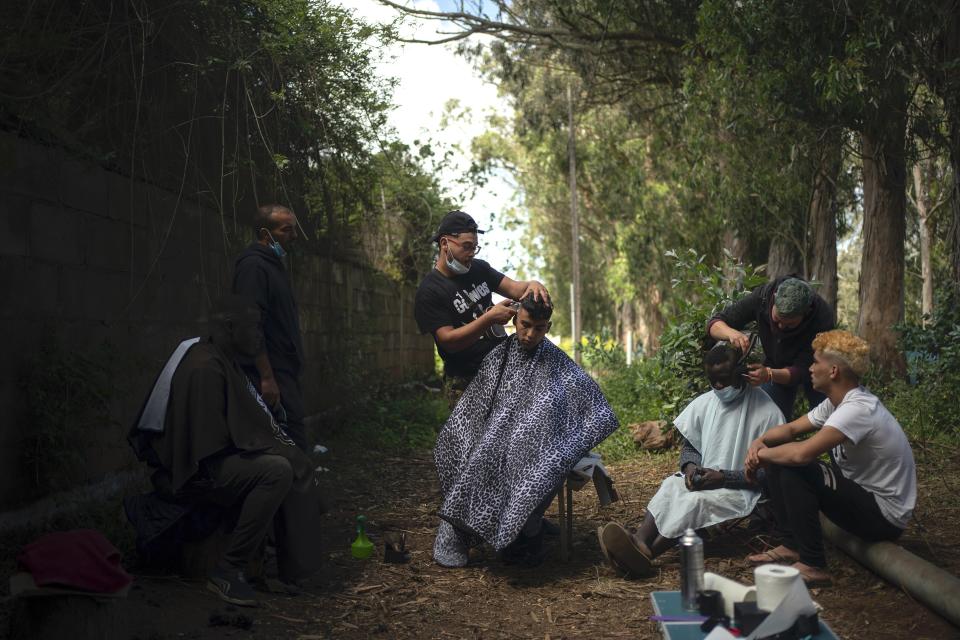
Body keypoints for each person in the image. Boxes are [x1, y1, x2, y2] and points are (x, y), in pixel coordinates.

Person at [127, 296, 323, 607]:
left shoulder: (222, 356)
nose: (261, 337)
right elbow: (208, 448)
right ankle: (228, 570)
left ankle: (266, 566)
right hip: (193, 474)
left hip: (210, 463)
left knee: (286, 462)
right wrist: (265, 447)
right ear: (231, 327)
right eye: (255, 328)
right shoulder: (206, 366)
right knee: (277, 471)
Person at [432, 296, 618, 567]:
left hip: (539, 444)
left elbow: (592, 405)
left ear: (548, 327)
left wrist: (548, 435)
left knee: (541, 465)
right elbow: (476, 408)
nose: (530, 334)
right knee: (482, 458)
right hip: (492, 438)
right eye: (525, 325)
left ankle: (523, 534)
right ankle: (469, 532)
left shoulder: (557, 362)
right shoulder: (498, 356)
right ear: (514, 320)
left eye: (539, 328)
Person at [743, 330, 917, 587]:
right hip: (862, 498)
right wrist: (760, 443)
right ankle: (791, 544)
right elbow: (791, 429)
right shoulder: (836, 403)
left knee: (794, 465)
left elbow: (802, 453)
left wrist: (762, 456)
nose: (810, 368)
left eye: (815, 362)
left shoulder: (857, 409)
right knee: (781, 458)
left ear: (833, 371)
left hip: (883, 517)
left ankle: (813, 564)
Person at [597, 344, 784, 576]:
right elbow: (691, 448)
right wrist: (691, 468)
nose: (718, 386)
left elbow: (772, 474)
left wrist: (725, 477)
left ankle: (647, 555)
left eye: (724, 379)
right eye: (712, 380)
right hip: (705, 479)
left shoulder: (768, 412)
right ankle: (640, 540)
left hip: (738, 490)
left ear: (741, 373)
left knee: (693, 503)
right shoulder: (705, 403)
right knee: (671, 486)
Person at [414, 210, 551, 401]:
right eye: (466, 247)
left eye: (475, 248)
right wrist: (489, 319)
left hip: (501, 371)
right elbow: (449, 342)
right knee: (475, 432)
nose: (471, 254)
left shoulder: (479, 269)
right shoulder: (430, 291)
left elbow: (517, 289)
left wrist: (533, 284)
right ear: (445, 243)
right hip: (465, 382)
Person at [233, 204, 308, 451]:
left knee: (291, 440)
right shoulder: (254, 266)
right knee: (289, 441)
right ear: (266, 235)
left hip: (284, 371)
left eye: (294, 230)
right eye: (287, 230)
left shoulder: (272, 265)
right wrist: (266, 377)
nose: (294, 236)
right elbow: (249, 324)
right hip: (270, 373)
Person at [707, 276, 835, 420]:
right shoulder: (761, 298)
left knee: (828, 417)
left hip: (816, 369)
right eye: (776, 319)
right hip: (774, 363)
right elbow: (715, 323)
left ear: (805, 313)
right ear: (773, 300)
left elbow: (803, 370)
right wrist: (731, 334)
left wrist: (769, 374)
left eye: (789, 324)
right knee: (770, 419)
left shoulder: (822, 319)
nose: (780, 327)